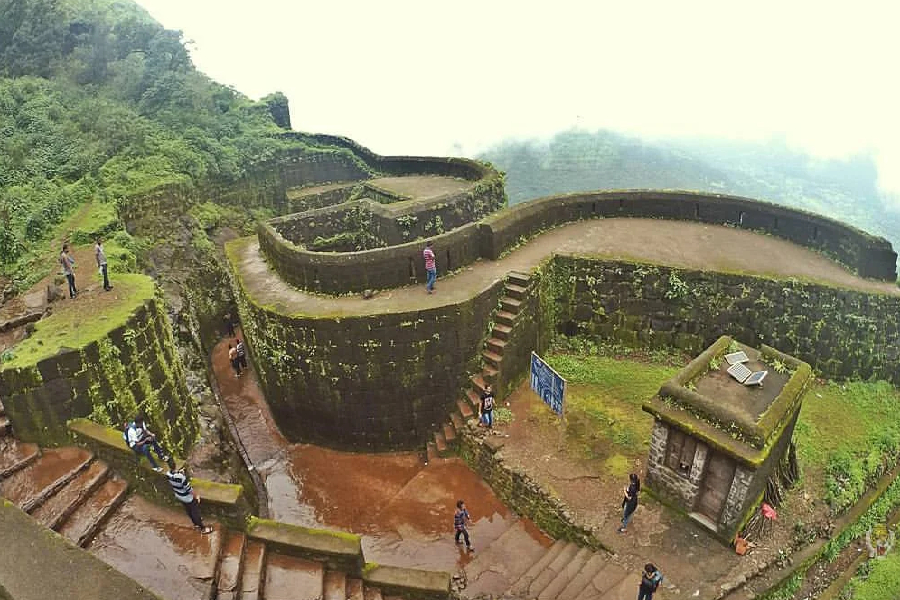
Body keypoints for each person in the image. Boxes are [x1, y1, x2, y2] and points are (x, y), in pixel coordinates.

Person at [165, 457, 213, 534]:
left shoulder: (168, 474)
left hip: (179, 495)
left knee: (188, 510)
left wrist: (179, 473)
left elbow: (174, 477)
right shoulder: (181, 477)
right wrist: (196, 496)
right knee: (195, 512)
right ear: (175, 465)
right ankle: (202, 528)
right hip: (187, 497)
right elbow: (189, 489)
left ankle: (195, 524)